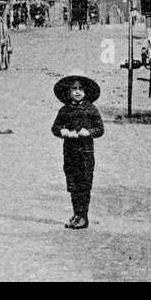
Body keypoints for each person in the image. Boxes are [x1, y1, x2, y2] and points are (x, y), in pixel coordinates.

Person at [52, 71, 104, 230]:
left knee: (84, 184)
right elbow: (55, 127)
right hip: (69, 152)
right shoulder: (64, 110)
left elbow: (100, 129)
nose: (77, 92)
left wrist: (88, 132)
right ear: (68, 92)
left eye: (81, 88)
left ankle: (83, 216)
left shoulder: (91, 109)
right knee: (73, 184)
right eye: (74, 88)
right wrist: (63, 132)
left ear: (86, 91)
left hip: (85, 154)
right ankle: (76, 213)